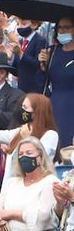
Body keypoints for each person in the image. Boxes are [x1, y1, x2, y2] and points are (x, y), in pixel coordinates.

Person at [0, 92, 58, 162]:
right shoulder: (20, 131)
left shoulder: (50, 135)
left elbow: (38, 160)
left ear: (36, 113)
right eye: (22, 107)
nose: (21, 110)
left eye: (25, 108)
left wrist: (26, 139)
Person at [43, 15, 74, 146]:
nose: (62, 31)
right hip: (54, 103)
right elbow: (43, 82)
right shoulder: (53, 51)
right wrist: (43, 65)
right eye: (59, 27)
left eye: (67, 27)